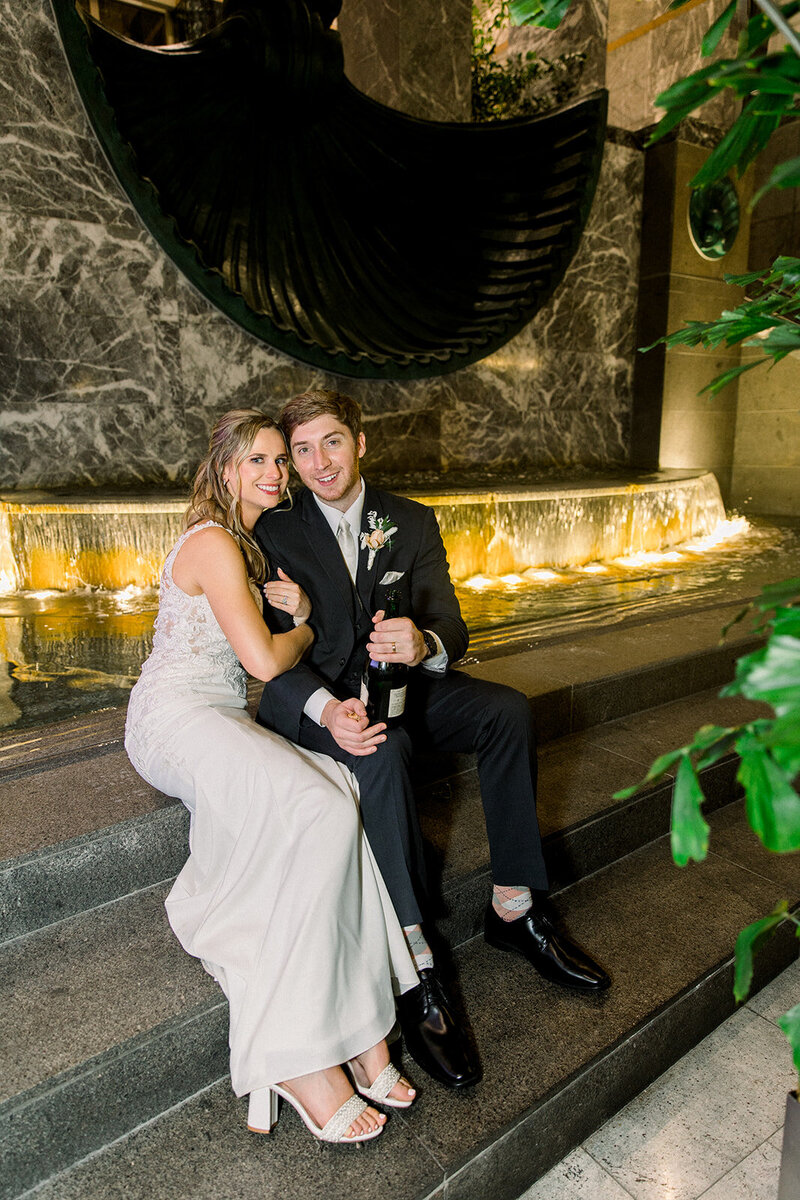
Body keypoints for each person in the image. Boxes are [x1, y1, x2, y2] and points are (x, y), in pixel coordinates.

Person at [255, 389, 611, 1091]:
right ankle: (415, 961)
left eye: (330, 442)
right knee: (382, 751)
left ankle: (515, 906)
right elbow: (265, 659)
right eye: (302, 450)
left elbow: (454, 624)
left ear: (360, 441)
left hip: (404, 689)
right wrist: (328, 709)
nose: (318, 463)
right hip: (325, 704)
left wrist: (424, 643)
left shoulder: (410, 522)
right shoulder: (272, 530)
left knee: (506, 710)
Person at [124, 409, 419, 1146]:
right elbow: (263, 663)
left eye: (277, 463)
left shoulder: (247, 548)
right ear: (225, 470)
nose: (274, 474)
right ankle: (296, 1060)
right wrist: (310, 627)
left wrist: (292, 614)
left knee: (339, 791)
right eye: (258, 461)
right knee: (315, 812)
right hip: (176, 719)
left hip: (218, 715)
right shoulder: (216, 542)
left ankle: (356, 1029)